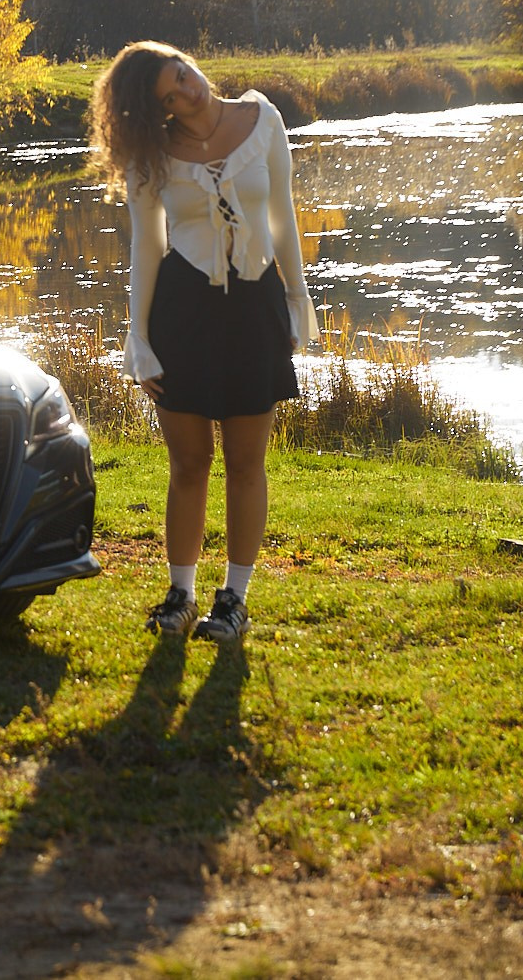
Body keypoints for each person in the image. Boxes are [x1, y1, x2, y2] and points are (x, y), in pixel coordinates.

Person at [88, 41, 317, 642]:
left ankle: (234, 601)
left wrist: (298, 297)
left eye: (182, 73)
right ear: (154, 109)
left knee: (247, 462)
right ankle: (181, 595)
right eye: (169, 94)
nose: (188, 90)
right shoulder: (152, 155)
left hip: (256, 308)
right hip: (182, 314)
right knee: (188, 463)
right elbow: (145, 246)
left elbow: (281, 217)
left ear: (189, 63)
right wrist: (137, 338)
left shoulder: (262, 119)